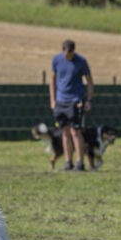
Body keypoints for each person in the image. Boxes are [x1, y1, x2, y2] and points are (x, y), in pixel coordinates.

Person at [49, 39, 94, 171]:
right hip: (60, 101)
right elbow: (52, 79)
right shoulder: (56, 60)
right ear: (62, 50)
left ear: (73, 51)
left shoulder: (81, 61)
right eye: (65, 54)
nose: (67, 56)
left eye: (70, 54)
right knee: (65, 132)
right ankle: (68, 162)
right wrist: (53, 99)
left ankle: (80, 163)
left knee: (76, 132)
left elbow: (90, 81)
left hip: (75, 101)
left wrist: (89, 100)